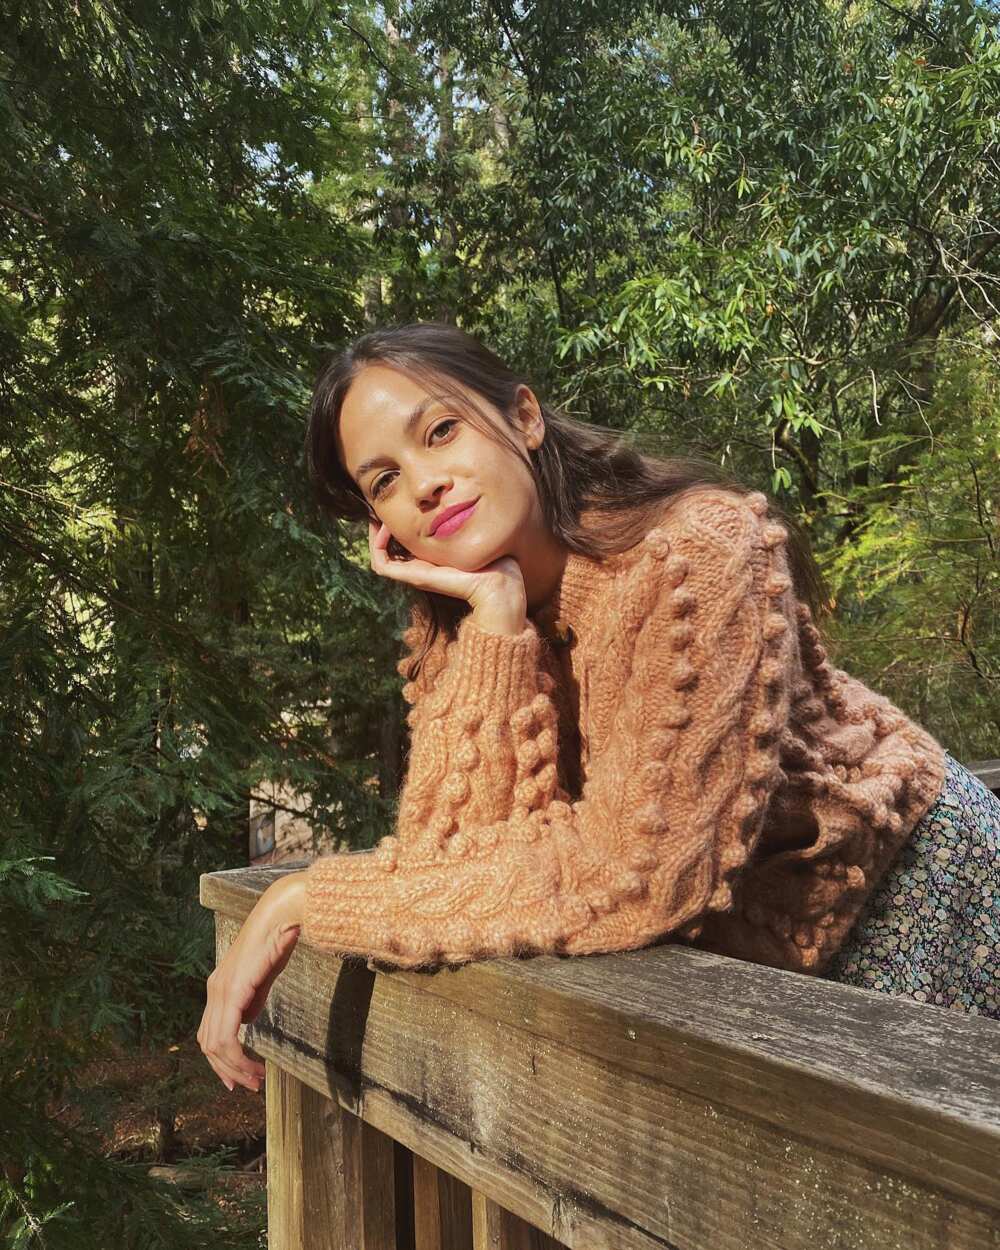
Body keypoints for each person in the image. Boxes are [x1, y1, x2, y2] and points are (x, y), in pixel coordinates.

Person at [198, 322, 999, 1095]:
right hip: (766, 970)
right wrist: (499, 626)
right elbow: (454, 865)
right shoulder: (467, 635)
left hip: (916, 887)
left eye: (440, 432)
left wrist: (306, 897)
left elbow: (638, 871)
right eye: (385, 481)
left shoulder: (699, 552)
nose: (424, 485)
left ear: (523, 416)